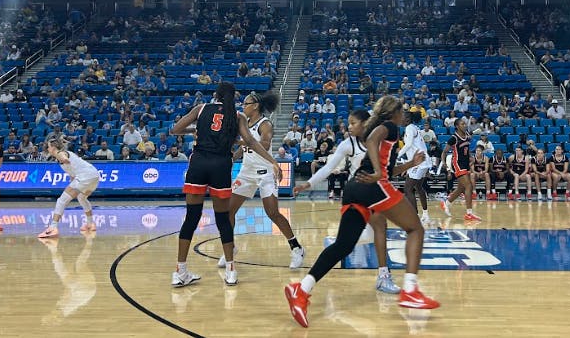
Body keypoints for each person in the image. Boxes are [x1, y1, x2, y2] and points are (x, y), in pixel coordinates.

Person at [285, 97, 439, 329]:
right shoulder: (389, 127)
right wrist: (378, 172)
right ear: (394, 112)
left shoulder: (386, 133)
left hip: (355, 188)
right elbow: (375, 142)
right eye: (402, 111)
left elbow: (389, 166)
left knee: (344, 245)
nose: (404, 114)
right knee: (415, 228)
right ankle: (410, 290)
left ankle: (302, 289)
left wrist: (408, 165)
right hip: (373, 185)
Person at [168, 82, 279, 288]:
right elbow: (252, 142)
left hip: (198, 164)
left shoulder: (200, 109)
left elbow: (176, 129)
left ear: (215, 95)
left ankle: (180, 272)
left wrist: (197, 129)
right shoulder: (238, 116)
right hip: (220, 165)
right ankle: (231, 271)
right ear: (234, 98)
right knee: (223, 219)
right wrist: (272, 161)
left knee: (191, 218)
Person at [294, 109, 403, 294]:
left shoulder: (380, 141)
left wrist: (411, 164)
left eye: (353, 123)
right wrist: (309, 184)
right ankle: (383, 276)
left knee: (373, 231)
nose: (349, 127)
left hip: (374, 191)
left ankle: (381, 274)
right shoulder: (348, 144)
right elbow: (329, 167)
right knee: (377, 228)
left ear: (366, 123)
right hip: (357, 193)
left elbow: (388, 170)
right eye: (349, 123)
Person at [219, 91, 305, 270]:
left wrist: (244, 143)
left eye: (246, 103)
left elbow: (264, 144)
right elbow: (245, 148)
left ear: (255, 106)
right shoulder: (243, 122)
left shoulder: (265, 124)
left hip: (265, 172)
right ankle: (230, 247)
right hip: (246, 172)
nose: (243, 106)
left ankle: (296, 248)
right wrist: (233, 157)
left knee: (272, 212)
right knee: (228, 212)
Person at [37, 135, 102, 238]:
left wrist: (64, 159)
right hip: (94, 176)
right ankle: (90, 224)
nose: (48, 149)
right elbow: (72, 176)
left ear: (53, 147)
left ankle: (53, 228)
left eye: (48, 147)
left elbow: (64, 158)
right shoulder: (62, 156)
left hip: (85, 176)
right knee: (81, 198)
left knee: (61, 200)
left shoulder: (60, 153)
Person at [439, 118, 480, 221]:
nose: (465, 125)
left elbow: (465, 149)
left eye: (465, 124)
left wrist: (471, 157)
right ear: (457, 126)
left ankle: (446, 203)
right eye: (462, 124)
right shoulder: (453, 138)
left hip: (465, 163)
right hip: (457, 164)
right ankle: (469, 213)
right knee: (469, 186)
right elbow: (444, 152)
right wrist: (445, 164)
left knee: (461, 188)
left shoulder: (466, 135)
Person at [397, 109, 431, 222]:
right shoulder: (414, 128)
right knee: (418, 187)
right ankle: (425, 215)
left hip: (420, 162)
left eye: (402, 116)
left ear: (407, 119)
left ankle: (414, 217)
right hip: (420, 161)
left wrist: (398, 155)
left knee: (408, 188)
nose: (400, 119)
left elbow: (408, 145)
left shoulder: (409, 128)